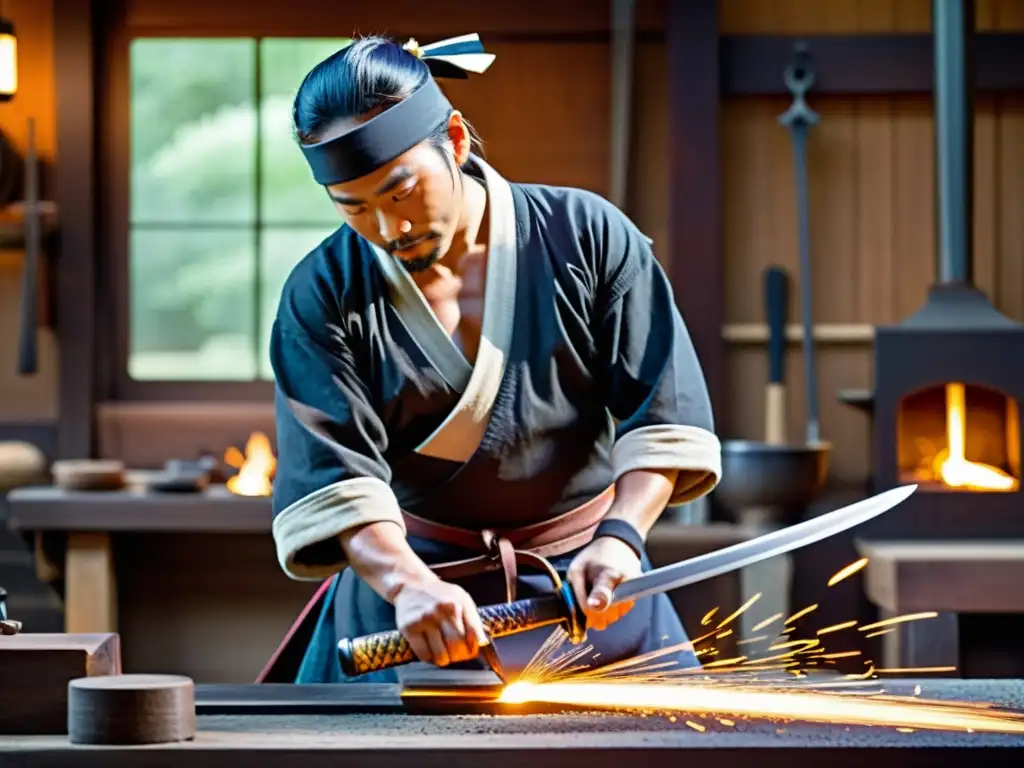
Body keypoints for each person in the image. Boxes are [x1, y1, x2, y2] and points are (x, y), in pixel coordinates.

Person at [257, 33, 722, 685]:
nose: (389, 230)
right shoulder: (323, 291)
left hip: (587, 589)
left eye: (399, 192)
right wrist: (408, 586)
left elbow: (662, 416)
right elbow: (332, 477)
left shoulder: (587, 237)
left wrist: (623, 537)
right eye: (354, 208)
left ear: (453, 140)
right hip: (412, 607)